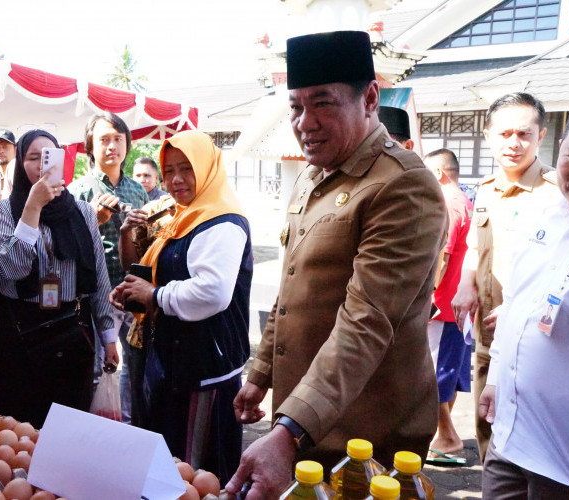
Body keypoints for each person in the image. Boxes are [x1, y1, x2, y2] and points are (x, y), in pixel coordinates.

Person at [226, 31, 448, 498]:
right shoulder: (313, 176)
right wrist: (262, 371)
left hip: (366, 439)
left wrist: (288, 432)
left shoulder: (402, 186)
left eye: (323, 103)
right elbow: (294, 287)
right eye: (295, 107)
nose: (305, 122)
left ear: (370, 98)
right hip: (305, 418)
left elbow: (366, 322)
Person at [110, 130, 252, 485]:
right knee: (172, 469)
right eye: (169, 169)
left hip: (204, 370)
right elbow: (159, 270)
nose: (175, 179)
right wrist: (136, 292)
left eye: (186, 168)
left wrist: (155, 296)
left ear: (206, 168)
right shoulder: (184, 216)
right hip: (175, 362)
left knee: (198, 473)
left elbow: (212, 293)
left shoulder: (222, 221)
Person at [451, 92, 558, 462]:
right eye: (505, 133)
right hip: (487, 333)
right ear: (488, 135)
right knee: (485, 424)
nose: (514, 143)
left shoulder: (558, 194)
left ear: (541, 136)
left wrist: (522, 309)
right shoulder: (484, 189)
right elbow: (475, 244)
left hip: (535, 343)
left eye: (524, 134)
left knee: (526, 437)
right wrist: (467, 282)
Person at [478, 107, 569, 499]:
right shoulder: (545, 215)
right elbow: (516, 303)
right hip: (510, 434)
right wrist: (497, 377)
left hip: (565, 462)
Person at [0, 129, 119, 428]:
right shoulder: (4, 211)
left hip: (73, 328)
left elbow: (98, 276)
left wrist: (108, 335)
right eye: (33, 158)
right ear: (20, 165)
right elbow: (10, 270)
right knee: (24, 424)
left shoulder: (82, 211)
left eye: (49, 157)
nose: (41, 166)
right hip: (23, 331)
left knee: (70, 421)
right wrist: (32, 208)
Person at [68, 112, 149, 424]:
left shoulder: (137, 191)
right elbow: (70, 251)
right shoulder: (78, 191)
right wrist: (95, 220)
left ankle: (129, 424)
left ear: (127, 144)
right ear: (90, 145)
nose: (112, 146)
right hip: (97, 295)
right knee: (102, 367)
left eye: (118, 138)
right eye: (104, 139)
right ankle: (99, 427)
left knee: (133, 367)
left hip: (132, 288)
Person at [423, 149, 473, 464]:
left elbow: (442, 254)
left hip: (442, 305)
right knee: (447, 371)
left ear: (440, 173)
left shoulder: (449, 204)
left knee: (433, 373)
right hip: (454, 305)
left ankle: (448, 436)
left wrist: (427, 294)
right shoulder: (465, 201)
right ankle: (443, 436)